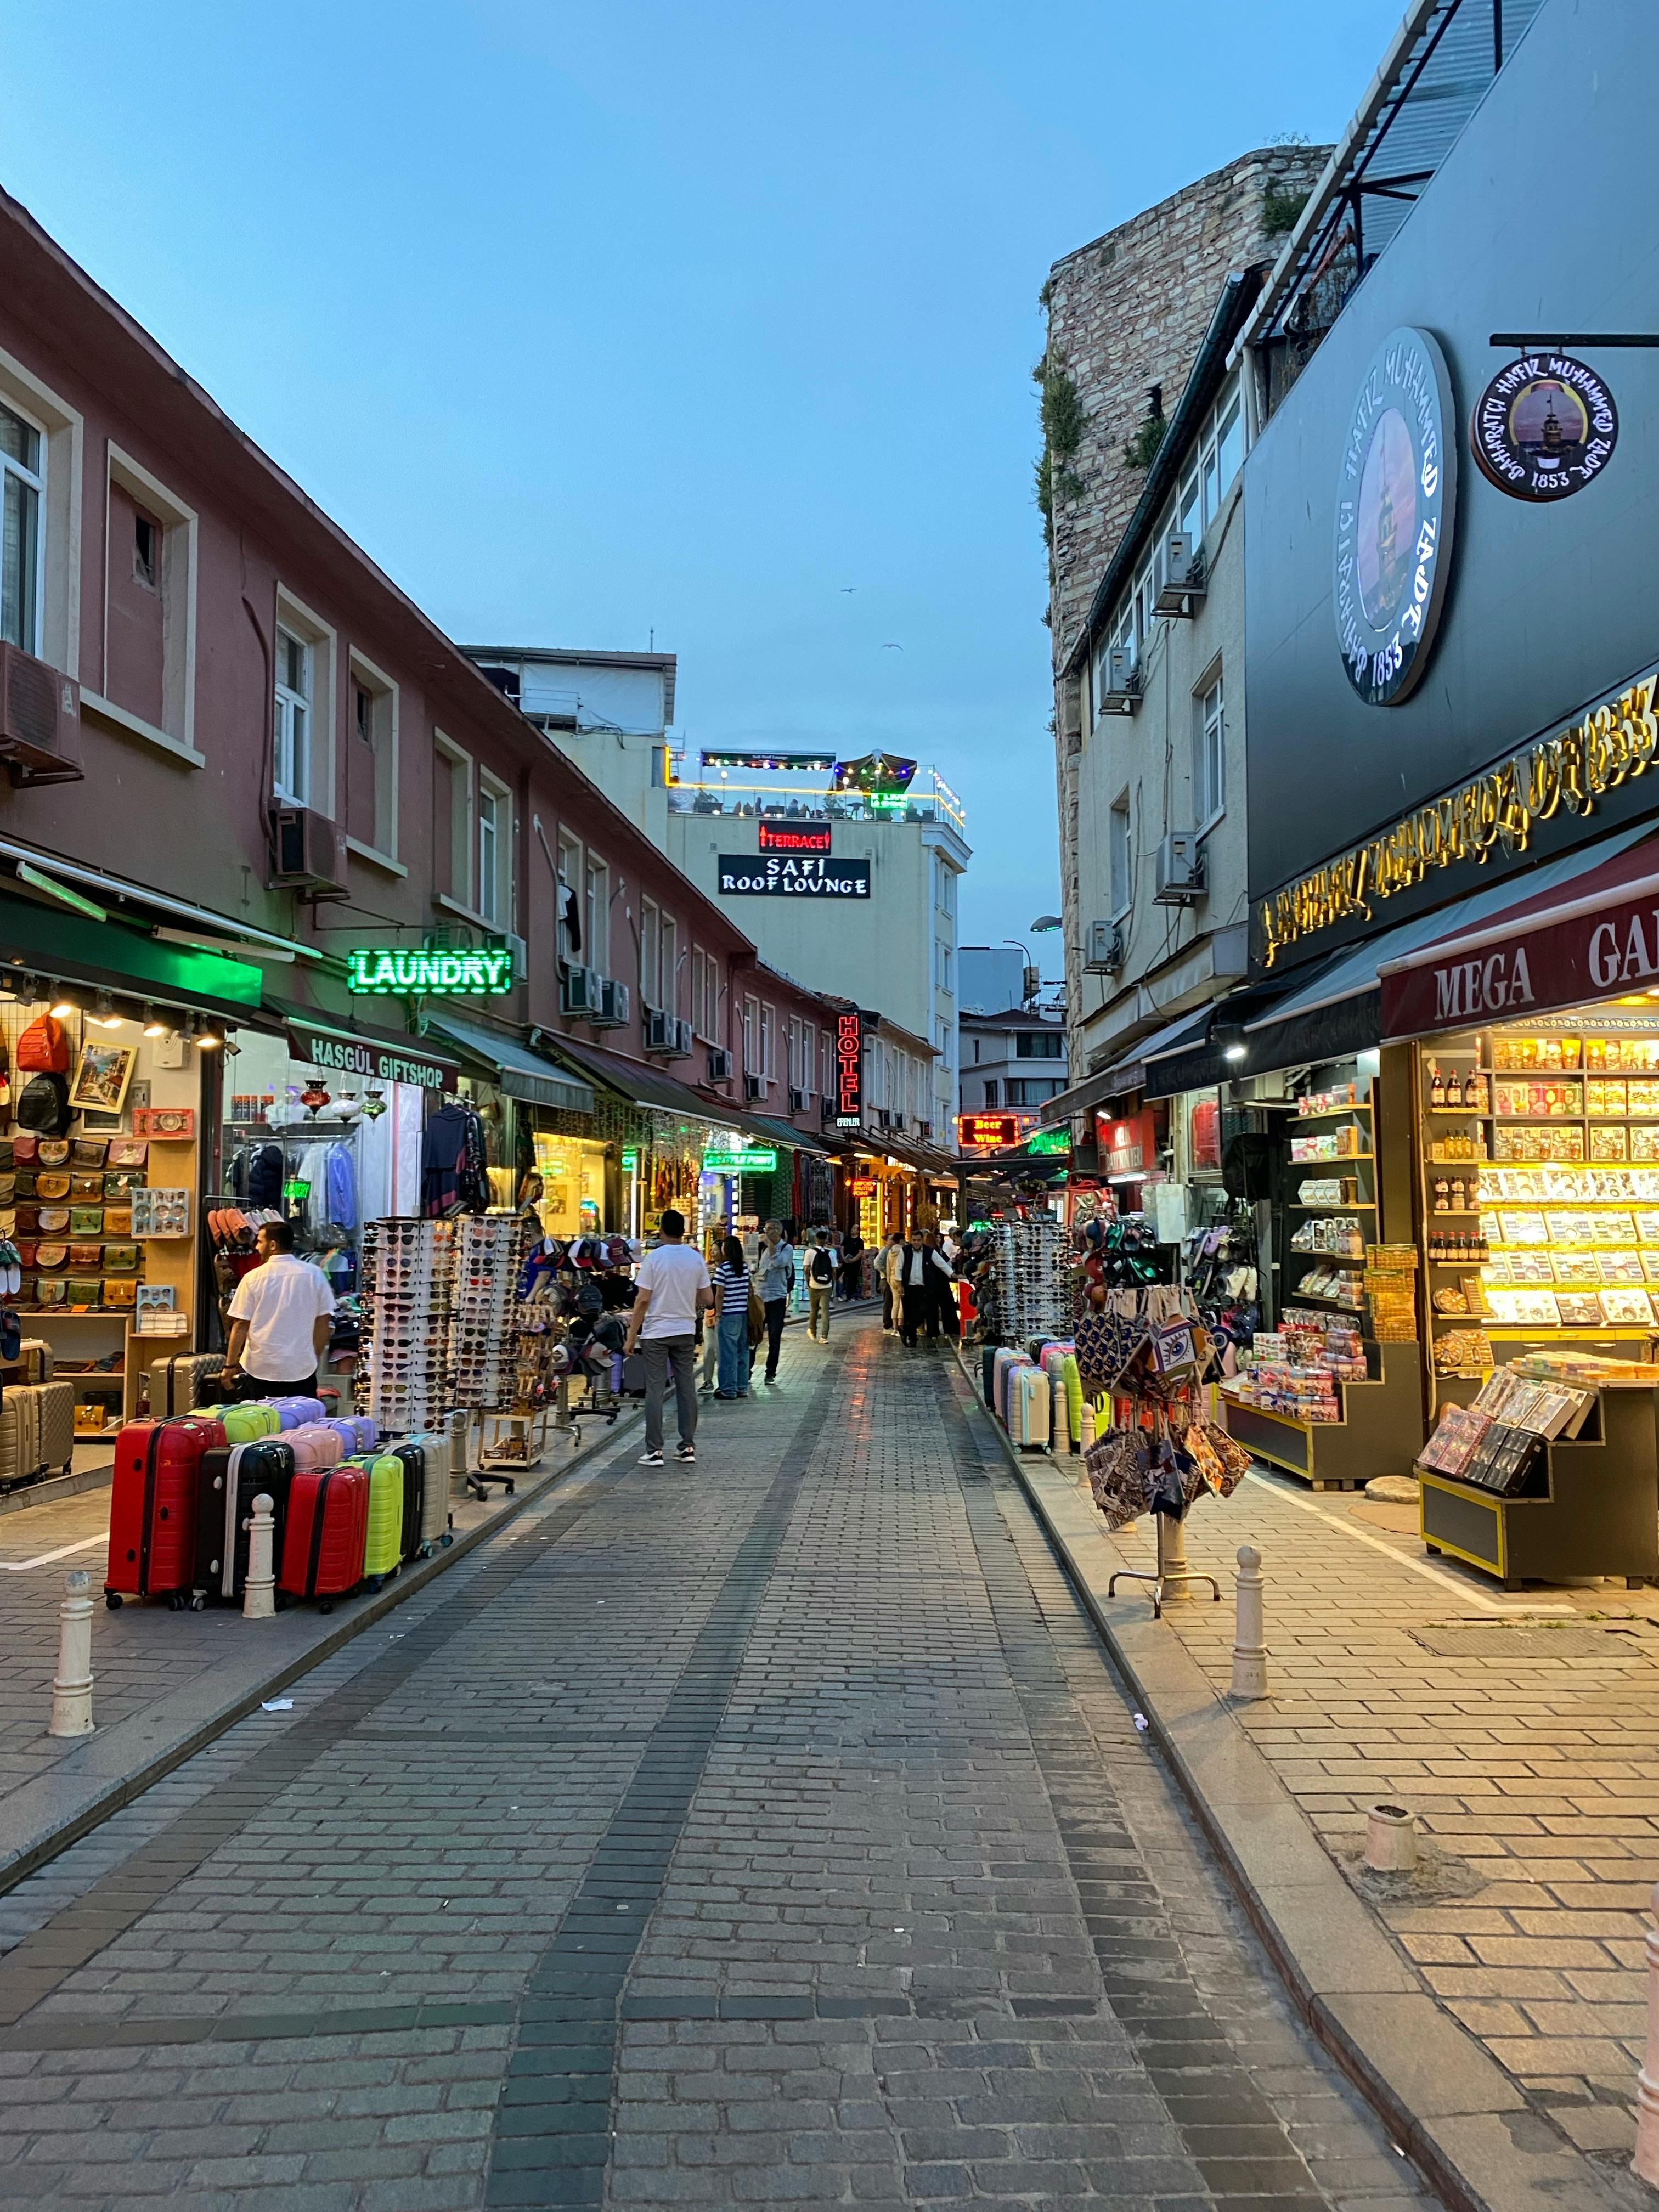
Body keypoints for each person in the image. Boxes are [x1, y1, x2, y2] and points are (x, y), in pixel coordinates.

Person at [623, 1209, 712, 1466]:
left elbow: (642, 1300)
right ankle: (687, 1447)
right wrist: (688, 1297)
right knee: (687, 1389)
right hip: (685, 1330)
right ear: (683, 1231)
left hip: (656, 1332)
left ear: (661, 1230)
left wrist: (631, 1336)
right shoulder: (695, 1259)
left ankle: (654, 1450)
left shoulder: (654, 1259)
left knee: (655, 1389)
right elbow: (708, 1299)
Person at [218, 1219, 336, 1396]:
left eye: (260, 1242)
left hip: (261, 1367)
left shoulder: (252, 1278)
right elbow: (324, 1321)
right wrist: (314, 1356)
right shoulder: (314, 1275)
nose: (257, 1248)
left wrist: (230, 1365)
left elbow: (241, 1325)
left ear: (272, 1245)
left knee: (262, 1421)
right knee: (301, 1421)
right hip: (301, 1368)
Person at [710, 1235, 752, 1397]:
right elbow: (749, 1290)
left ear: (726, 1249)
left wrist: (718, 1314)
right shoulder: (744, 1267)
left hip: (728, 1314)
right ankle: (742, 1387)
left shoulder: (723, 1268)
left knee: (728, 1353)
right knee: (743, 1351)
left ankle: (728, 1389)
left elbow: (719, 1295)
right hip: (743, 1314)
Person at [757, 1220, 793, 1384]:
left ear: (779, 1231)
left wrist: (770, 1244)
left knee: (774, 1336)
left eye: (770, 1229)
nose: (767, 1232)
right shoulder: (764, 1249)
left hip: (777, 1298)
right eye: (766, 1229)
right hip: (760, 1298)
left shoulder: (787, 1248)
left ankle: (770, 1372)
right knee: (754, 1334)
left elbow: (779, 1263)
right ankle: (748, 1372)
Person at [805, 1228, 839, 1342]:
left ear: (816, 1239)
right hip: (827, 1285)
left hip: (814, 1285)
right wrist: (833, 1285)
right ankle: (824, 1336)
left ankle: (813, 1331)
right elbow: (834, 1271)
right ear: (826, 1240)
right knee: (825, 1311)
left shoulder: (809, 1252)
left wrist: (808, 1282)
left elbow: (806, 1269)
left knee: (814, 1309)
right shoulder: (831, 1253)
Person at [839, 1224, 865, 1300]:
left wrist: (854, 1260)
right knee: (842, 1276)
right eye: (852, 1228)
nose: (852, 1230)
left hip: (855, 1264)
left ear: (858, 1231)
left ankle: (850, 1294)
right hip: (846, 1262)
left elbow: (861, 1252)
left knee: (852, 1279)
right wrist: (843, 1258)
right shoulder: (847, 1239)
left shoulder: (860, 1241)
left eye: (854, 1228)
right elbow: (842, 1248)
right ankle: (842, 1292)